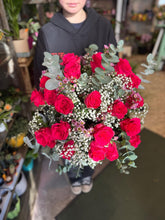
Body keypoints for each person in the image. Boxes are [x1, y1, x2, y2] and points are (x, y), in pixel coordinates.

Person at [34, 0, 117, 195]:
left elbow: (114, 65)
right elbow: (41, 72)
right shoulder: (47, 32)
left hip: (96, 106)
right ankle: (73, 175)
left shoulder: (103, 26)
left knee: (93, 141)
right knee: (68, 143)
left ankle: (87, 173)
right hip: (64, 109)